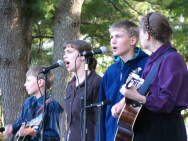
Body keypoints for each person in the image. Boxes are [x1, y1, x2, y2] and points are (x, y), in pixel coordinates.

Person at [119, 12, 188, 141]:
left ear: (147, 35)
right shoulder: (153, 59)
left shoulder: (171, 59)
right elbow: (147, 91)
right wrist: (124, 102)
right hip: (149, 124)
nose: (139, 37)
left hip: (164, 128)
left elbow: (167, 102)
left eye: (140, 33)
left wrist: (138, 97)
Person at [98, 20, 149, 141]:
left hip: (139, 135)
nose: (113, 41)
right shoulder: (109, 72)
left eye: (118, 36)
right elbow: (102, 111)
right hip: (111, 136)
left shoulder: (148, 65)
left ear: (132, 40)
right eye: (111, 37)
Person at [3, 66, 64, 141]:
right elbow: (22, 121)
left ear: (40, 82)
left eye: (28, 80)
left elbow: (55, 137)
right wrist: (12, 127)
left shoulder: (52, 104)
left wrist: (34, 132)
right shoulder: (28, 101)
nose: (25, 84)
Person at [63, 39, 102, 141]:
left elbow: (99, 120)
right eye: (65, 52)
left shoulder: (96, 82)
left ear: (83, 55)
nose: (65, 56)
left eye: (69, 52)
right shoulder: (70, 85)